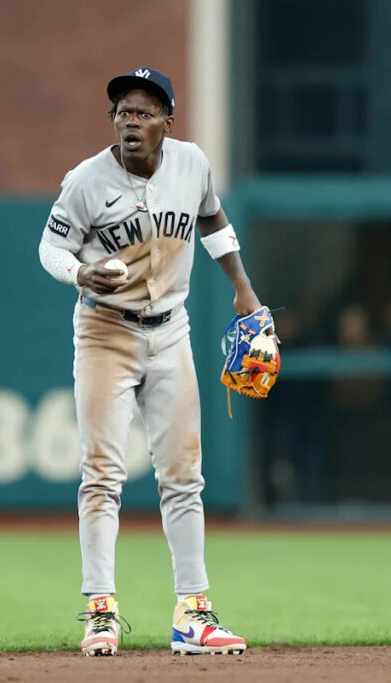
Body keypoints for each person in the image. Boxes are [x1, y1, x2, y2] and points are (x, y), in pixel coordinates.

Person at [38, 67, 256, 656]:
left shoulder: (192, 164)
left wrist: (244, 288)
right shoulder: (87, 180)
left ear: (167, 120)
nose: (130, 121)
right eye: (122, 112)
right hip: (105, 329)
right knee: (102, 475)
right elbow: (50, 246)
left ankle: (194, 613)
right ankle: (101, 612)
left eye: (143, 111)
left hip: (171, 331)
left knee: (184, 477)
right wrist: (78, 270)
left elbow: (211, 216)